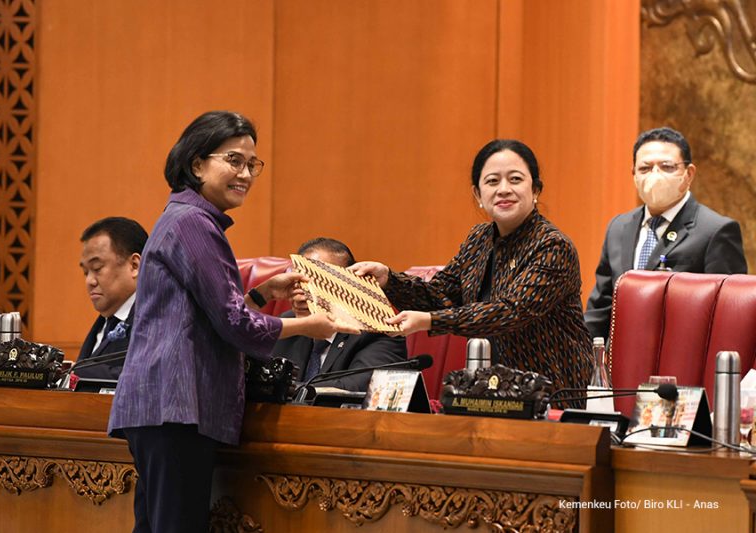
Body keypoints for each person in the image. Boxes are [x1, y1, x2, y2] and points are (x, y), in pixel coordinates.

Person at [107, 111, 352, 533]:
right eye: (233, 161)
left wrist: (261, 294)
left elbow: (200, 312)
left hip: (162, 408)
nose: (245, 174)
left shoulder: (184, 218)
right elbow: (235, 325)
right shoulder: (194, 223)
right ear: (197, 163)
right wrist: (308, 326)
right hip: (177, 406)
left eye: (251, 164)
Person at [350, 139, 593, 395]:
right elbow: (439, 295)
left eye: (515, 179)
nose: (503, 189)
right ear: (478, 194)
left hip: (552, 393)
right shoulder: (479, 239)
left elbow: (510, 312)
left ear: (535, 190)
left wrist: (430, 321)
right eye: (492, 181)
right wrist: (388, 279)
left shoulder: (553, 246)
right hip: (491, 392)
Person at [584, 127, 747, 341]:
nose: (655, 175)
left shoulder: (715, 231)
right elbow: (602, 307)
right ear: (634, 175)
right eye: (645, 168)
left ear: (688, 174)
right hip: (622, 360)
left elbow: (732, 316)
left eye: (667, 167)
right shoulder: (618, 227)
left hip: (682, 361)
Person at [272, 237, 408, 391]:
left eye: (317, 283)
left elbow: (356, 388)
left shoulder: (378, 331)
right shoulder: (288, 324)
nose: (301, 295)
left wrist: (281, 390)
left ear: (348, 287)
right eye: (296, 282)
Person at [76, 217, 147, 380]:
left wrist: (78, 373)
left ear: (134, 265)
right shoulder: (105, 321)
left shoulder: (155, 319)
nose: (89, 281)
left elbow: (148, 379)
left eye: (97, 268)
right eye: (85, 272)